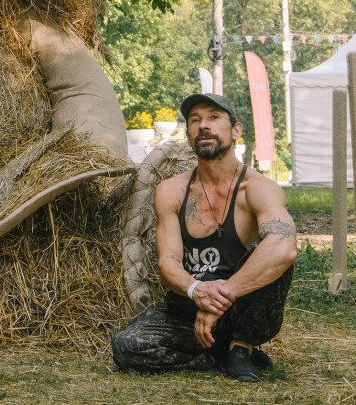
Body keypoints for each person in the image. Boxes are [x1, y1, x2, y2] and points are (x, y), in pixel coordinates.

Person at [111, 93, 297, 382]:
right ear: (188, 137)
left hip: (241, 309)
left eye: (213, 118)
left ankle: (241, 347)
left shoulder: (260, 188)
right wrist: (197, 290)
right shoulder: (170, 191)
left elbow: (283, 250)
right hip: (188, 307)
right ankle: (218, 354)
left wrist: (221, 298)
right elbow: (169, 261)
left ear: (235, 130)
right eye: (195, 121)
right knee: (125, 347)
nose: (203, 126)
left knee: (272, 246)